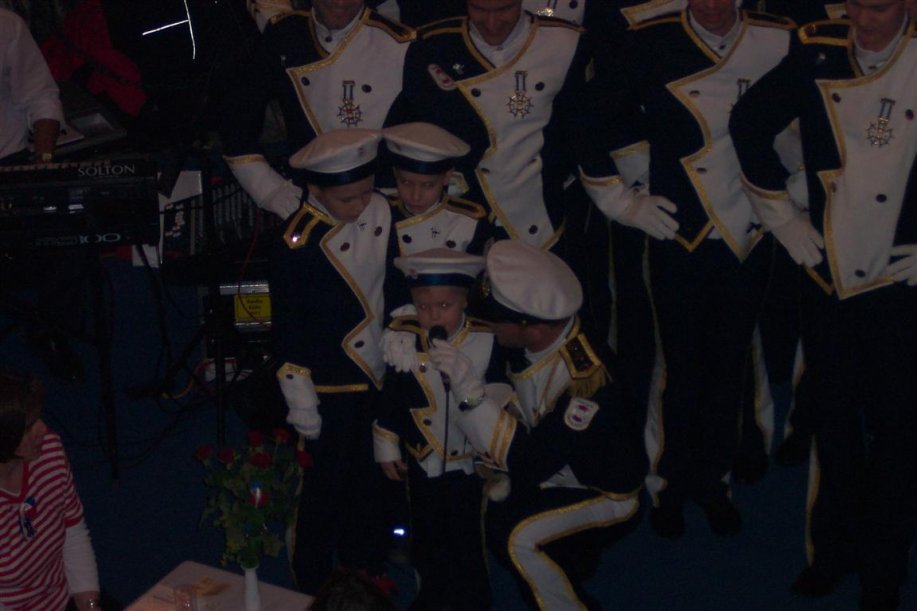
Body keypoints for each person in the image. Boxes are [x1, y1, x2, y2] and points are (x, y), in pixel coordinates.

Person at [730, 0, 917, 607]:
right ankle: (830, 552)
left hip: (903, 280)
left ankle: (885, 570)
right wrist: (781, 217)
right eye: (856, 2)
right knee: (833, 425)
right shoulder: (817, 50)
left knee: (898, 432)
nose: (865, 18)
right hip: (829, 272)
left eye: (880, 5)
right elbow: (748, 122)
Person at [596, 0, 799, 539]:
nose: (711, 5)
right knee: (676, 367)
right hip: (676, 229)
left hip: (749, 228)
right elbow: (602, 118)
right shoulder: (647, 41)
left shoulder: (781, 41)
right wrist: (627, 197)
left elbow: (805, 123)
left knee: (730, 363)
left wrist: (794, 191)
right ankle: (667, 484)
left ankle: (716, 481)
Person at [385, 0, 624, 340]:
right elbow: (410, 129)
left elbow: (583, 132)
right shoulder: (432, 46)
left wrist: (617, 196)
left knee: (559, 327)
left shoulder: (566, 42)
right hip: (465, 221)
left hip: (542, 211)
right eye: (480, 10)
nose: (492, 22)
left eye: (504, 10)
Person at [449, 240, 646, 610]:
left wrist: (471, 397)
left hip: (604, 491)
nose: (491, 326)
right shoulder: (540, 339)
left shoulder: (586, 386)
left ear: (533, 328)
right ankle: (573, 556)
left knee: (514, 537)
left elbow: (529, 462)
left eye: (498, 320)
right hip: (561, 466)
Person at [270, 128, 393, 597]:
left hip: (376, 373)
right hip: (327, 385)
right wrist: (298, 392)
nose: (360, 206)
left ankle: (366, 573)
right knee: (322, 486)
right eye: (347, 198)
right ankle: (314, 584)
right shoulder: (296, 242)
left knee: (371, 481)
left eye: (366, 193)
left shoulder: (381, 210)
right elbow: (289, 326)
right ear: (314, 189)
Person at [373, 248, 496, 610]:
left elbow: (501, 395)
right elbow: (392, 397)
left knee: (467, 536)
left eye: (444, 306)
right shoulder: (405, 342)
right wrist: (387, 444)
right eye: (424, 307)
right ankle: (431, 595)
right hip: (423, 457)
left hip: (469, 461)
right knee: (426, 534)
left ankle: (473, 600)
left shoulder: (486, 339)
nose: (433, 315)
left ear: (464, 301)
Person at [219, 0, 414, 220]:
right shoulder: (285, 35)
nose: (340, 2)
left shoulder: (402, 44)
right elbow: (237, 117)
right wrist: (269, 189)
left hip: (384, 206)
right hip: (309, 203)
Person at [0, 372, 101, 610]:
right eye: (28, 428)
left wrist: (90, 605)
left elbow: (72, 531)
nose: (43, 429)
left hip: (59, 598)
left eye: (39, 418)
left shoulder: (49, 451)